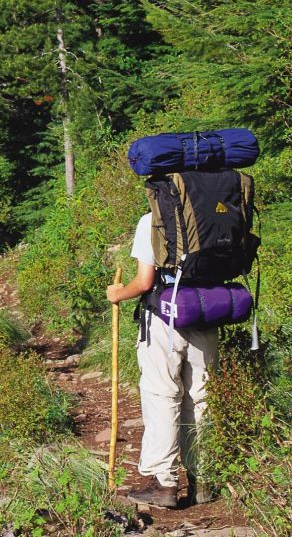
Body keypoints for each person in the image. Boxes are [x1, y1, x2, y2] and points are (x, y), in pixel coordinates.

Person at [106, 210, 219, 509]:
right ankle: (203, 481)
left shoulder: (154, 219)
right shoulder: (212, 214)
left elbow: (145, 282)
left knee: (162, 395)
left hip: (164, 318)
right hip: (208, 311)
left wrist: (118, 295)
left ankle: (164, 483)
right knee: (200, 397)